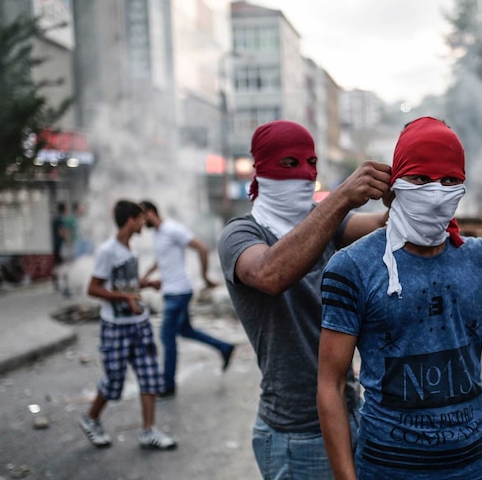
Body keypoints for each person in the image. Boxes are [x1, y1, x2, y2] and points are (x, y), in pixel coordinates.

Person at [317, 117, 482, 480]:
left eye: (449, 181)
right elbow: (331, 384)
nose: (435, 191)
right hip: (389, 470)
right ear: (396, 183)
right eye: (420, 179)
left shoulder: (481, 258)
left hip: (475, 466)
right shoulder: (353, 266)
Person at [217, 120, 391, 479]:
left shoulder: (322, 222)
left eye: (312, 163)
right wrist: (341, 197)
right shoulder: (241, 233)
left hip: (347, 411)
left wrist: (410, 190)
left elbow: (382, 226)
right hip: (296, 433)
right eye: (289, 163)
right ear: (261, 169)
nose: (304, 174)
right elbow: (271, 274)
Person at [78, 200, 176, 450]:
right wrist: (126, 298)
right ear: (131, 220)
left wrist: (146, 285)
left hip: (139, 324)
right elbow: (94, 288)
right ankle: (90, 419)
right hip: (116, 327)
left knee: (150, 377)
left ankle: (148, 431)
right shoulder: (107, 251)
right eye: (141, 219)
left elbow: (125, 284)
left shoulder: (130, 249)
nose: (144, 223)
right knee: (114, 382)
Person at [140, 200, 235, 398]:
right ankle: (224, 347)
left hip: (178, 292)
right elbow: (162, 258)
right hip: (172, 292)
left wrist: (205, 277)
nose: (141, 221)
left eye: (142, 216)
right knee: (186, 331)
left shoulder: (172, 229)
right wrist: (148, 274)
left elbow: (201, 247)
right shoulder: (158, 234)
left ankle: (168, 385)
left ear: (150, 212)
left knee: (167, 336)